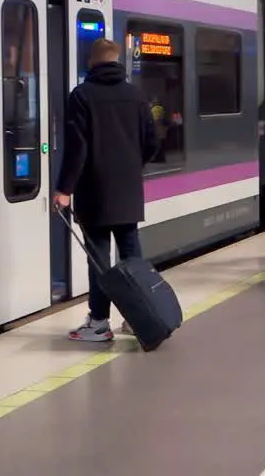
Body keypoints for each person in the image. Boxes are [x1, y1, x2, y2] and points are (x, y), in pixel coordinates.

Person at [53, 38, 158, 342]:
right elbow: (152, 142)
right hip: (128, 191)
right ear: (117, 61)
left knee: (99, 259)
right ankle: (139, 318)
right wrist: (131, 167)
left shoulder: (82, 96)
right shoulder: (136, 95)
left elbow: (77, 148)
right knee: (131, 257)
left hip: (95, 191)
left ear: (92, 62)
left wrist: (64, 188)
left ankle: (99, 322)